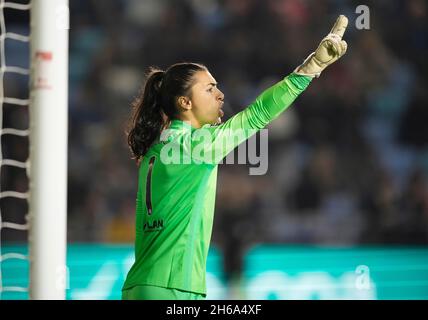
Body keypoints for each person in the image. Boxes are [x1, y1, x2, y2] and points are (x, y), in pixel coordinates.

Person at [122, 15, 349, 300]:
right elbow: (257, 115)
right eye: (209, 88)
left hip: (140, 285)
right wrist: (311, 67)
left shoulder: (157, 147)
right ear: (185, 102)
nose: (220, 95)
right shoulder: (195, 145)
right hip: (173, 288)